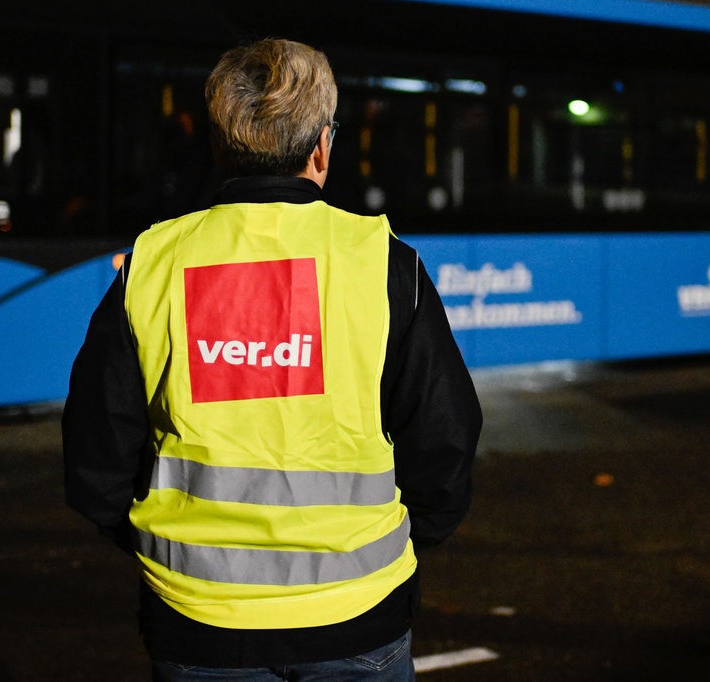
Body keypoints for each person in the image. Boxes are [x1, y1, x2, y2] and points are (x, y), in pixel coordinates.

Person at [62, 38, 482, 681]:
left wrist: (159, 547)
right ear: (322, 146)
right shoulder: (383, 264)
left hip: (196, 624)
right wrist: (401, 545)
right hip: (359, 614)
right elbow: (446, 437)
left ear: (219, 144)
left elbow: (94, 451)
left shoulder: (152, 263)